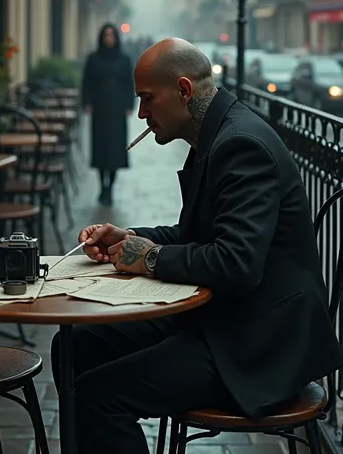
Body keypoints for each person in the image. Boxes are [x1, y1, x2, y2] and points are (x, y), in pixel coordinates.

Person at [51, 37, 343, 454]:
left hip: (260, 344)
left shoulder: (241, 145)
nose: (141, 113)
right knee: (72, 346)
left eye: (147, 99)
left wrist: (148, 258)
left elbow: (236, 265)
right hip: (224, 319)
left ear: (184, 91)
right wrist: (131, 238)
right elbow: (197, 236)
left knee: (102, 397)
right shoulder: (216, 134)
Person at [81, 22, 135, 205]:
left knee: (115, 149)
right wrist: (87, 102)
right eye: (106, 35)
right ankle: (101, 186)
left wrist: (129, 105)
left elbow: (130, 84)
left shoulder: (124, 59)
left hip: (117, 108)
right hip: (100, 107)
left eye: (112, 35)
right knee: (100, 148)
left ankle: (110, 186)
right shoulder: (93, 58)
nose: (108, 39)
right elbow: (86, 82)